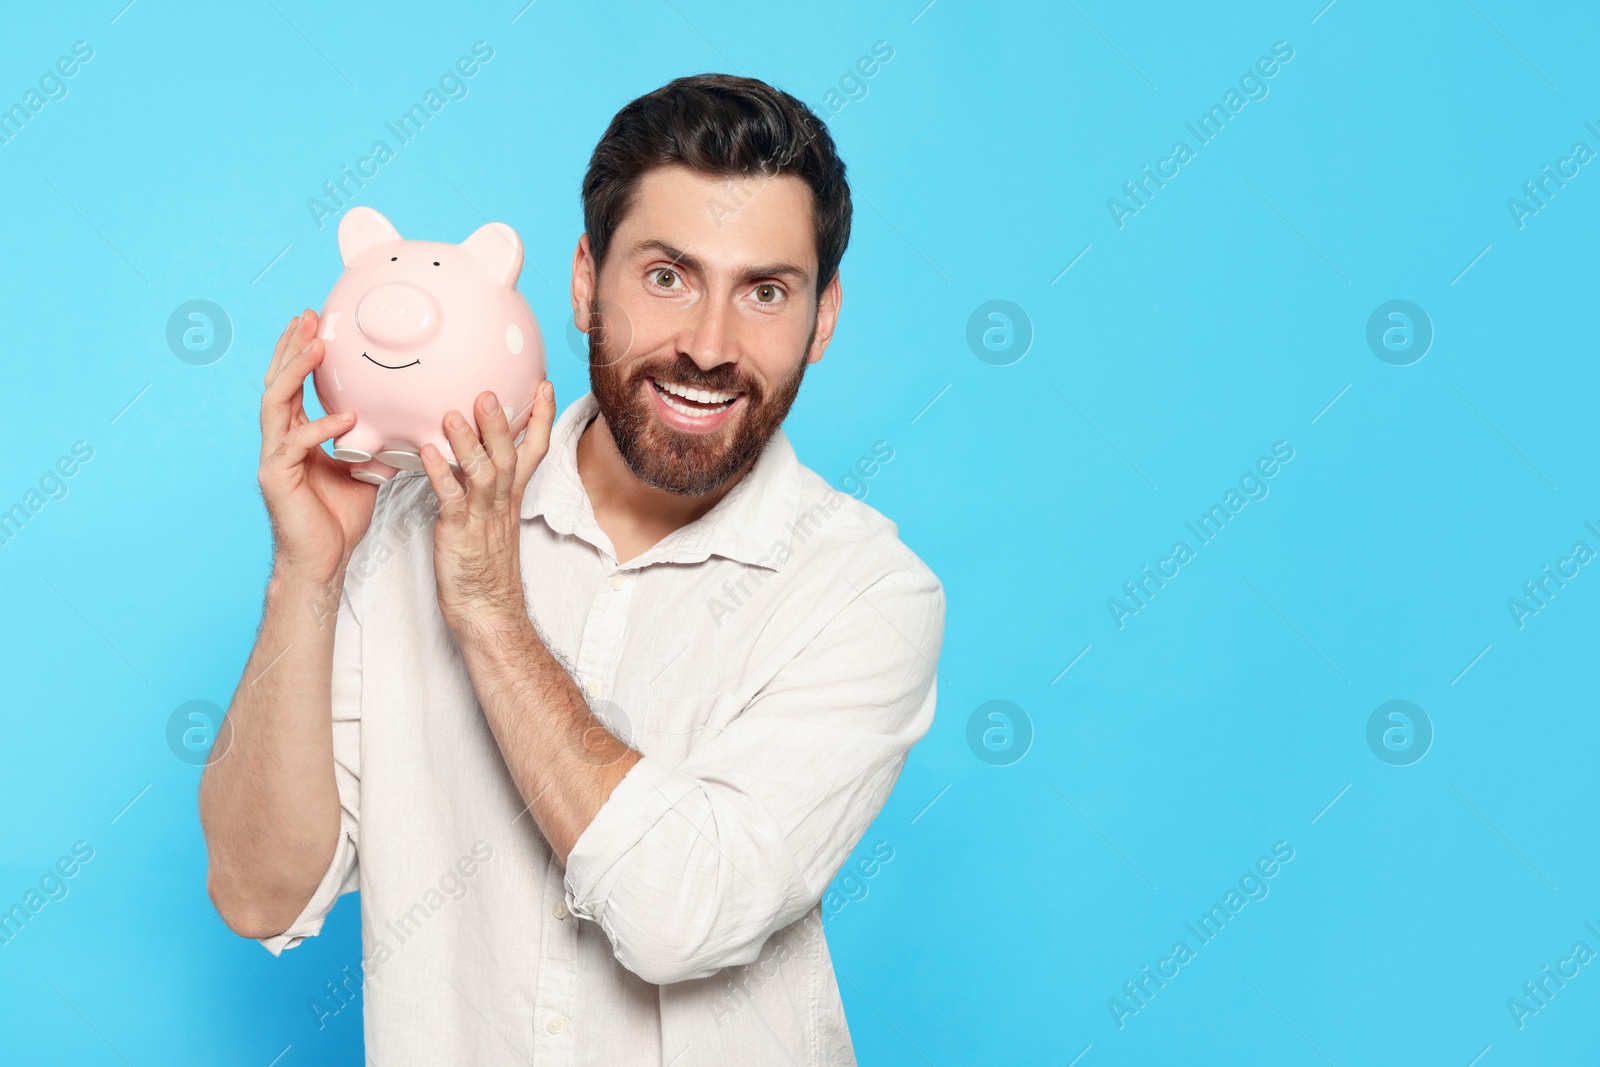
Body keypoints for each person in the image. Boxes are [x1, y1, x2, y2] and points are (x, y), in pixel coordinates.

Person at [199, 72, 945, 1066]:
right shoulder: (404, 517)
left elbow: (682, 915)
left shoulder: (867, 594)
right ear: (586, 282)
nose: (710, 346)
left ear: (823, 315)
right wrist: (308, 572)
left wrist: (489, 610)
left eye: (764, 290)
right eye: (668, 276)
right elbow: (259, 892)